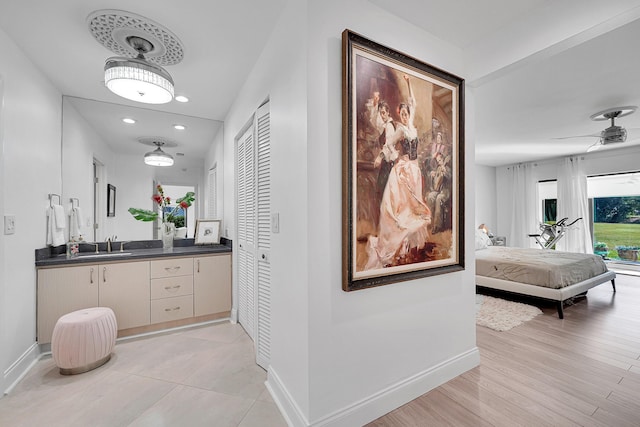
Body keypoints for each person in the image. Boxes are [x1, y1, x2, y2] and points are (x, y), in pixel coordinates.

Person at [365, 74, 431, 269]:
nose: (403, 116)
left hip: (414, 170)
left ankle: (410, 246)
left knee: (415, 207)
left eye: (405, 113)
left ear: (409, 113)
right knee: (401, 208)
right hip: (403, 169)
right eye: (401, 114)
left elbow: (413, 101)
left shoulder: (414, 129)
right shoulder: (400, 130)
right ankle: (398, 244)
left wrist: (409, 83)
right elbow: (389, 144)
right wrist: (379, 157)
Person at [427, 151, 452, 233]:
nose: (439, 163)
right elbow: (435, 185)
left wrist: (445, 172)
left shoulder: (447, 169)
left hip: (445, 191)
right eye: (437, 161)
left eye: (440, 161)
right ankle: (430, 221)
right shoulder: (438, 169)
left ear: (443, 160)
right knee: (430, 196)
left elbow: (451, 179)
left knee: (438, 199)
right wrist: (433, 176)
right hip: (438, 190)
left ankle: (437, 225)